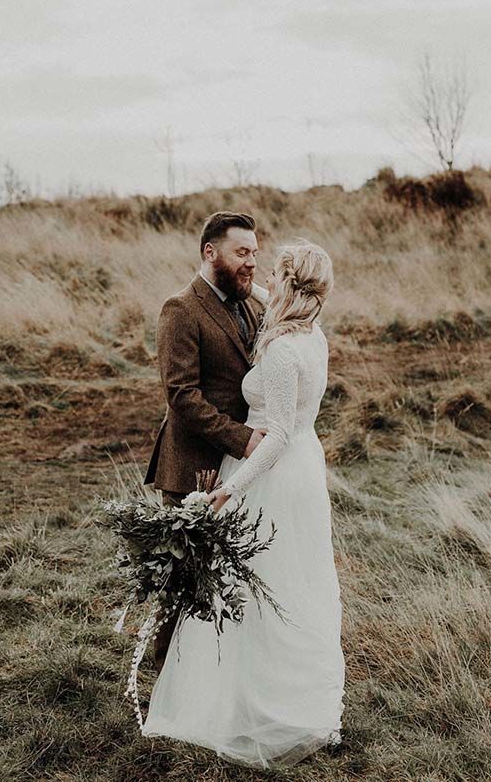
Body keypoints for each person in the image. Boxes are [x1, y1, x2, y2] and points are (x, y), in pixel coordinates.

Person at [142, 239, 346, 769]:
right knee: (294, 584)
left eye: (272, 272)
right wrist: (231, 275)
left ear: (288, 284)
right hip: (305, 472)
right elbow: (269, 292)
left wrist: (232, 489)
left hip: (270, 475)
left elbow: (274, 437)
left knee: (251, 588)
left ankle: (244, 702)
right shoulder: (314, 334)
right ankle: (299, 696)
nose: (262, 276)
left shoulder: (280, 352)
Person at [144, 211, 268, 672]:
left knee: (224, 576)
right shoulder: (181, 308)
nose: (251, 261)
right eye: (242, 252)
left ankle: (211, 675)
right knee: (182, 580)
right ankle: (164, 681)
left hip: (238, 470)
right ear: (210, 252)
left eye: (254, 252)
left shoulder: (249, 304)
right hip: (194, 465)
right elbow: (182, 395)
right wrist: (242, 439)